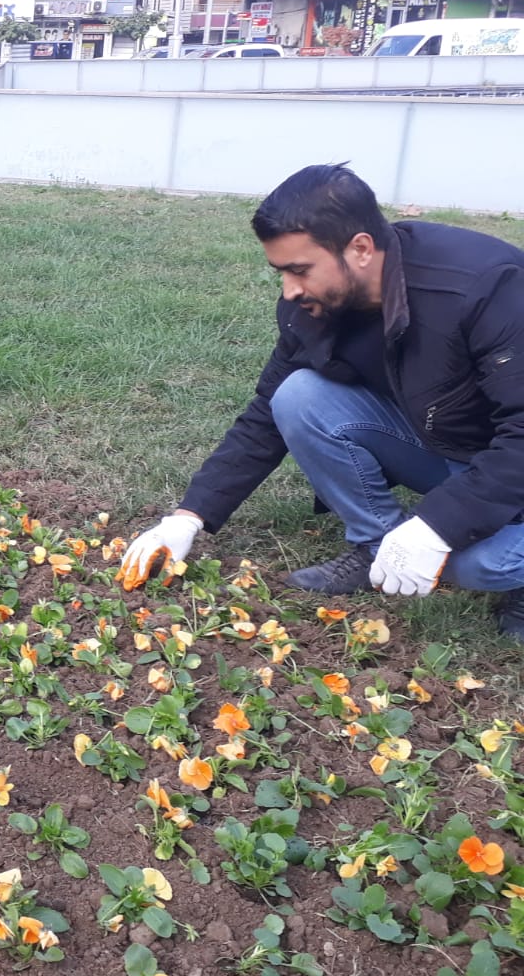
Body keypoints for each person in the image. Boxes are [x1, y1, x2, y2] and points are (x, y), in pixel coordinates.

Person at [117, 164, 524, 640]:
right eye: (282, 272)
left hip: (508, 454)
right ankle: (378, 545)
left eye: (300, 270)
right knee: (298, 396)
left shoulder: (483, 287)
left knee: (477, 564)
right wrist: (189, 516)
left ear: (361, 249)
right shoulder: (314, 306)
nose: (289, 289)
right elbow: (266, 414)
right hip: (453, 444)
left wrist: (436, 525)